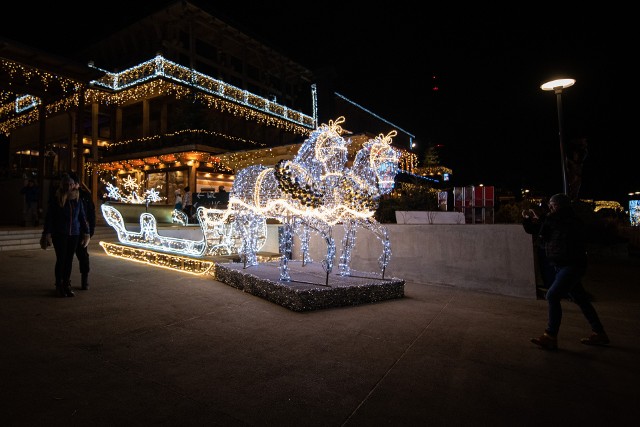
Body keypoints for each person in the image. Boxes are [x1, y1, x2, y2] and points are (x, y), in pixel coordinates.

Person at [522, 193, 609, 350]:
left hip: (572, 266)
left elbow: (551, 226)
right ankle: (599, 333)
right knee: (581, 299)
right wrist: (529, 219)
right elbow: (538, 231)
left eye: (552, 205)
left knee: (552, 295)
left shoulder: (566, 220)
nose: (550, 207)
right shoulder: (559, 219)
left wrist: (542, 218)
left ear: (559, 206)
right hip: (563, 265)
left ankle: (550, 335)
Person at [42, 174, 91, 298]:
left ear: (73, 185)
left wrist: (86, 232)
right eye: (66, 184)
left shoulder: (77, 199)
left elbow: (82, 217)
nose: (68, 187)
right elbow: (50, 218)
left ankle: (66, 284)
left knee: (69, 260)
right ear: (62, 185)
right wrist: (47, 233)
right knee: (61, 259)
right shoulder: (57, 199)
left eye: (70, 184)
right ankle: (59, 284)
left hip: (74, 234)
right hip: (60, 234)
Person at [68, 172, 96, 290]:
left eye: (72, 183)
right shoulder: (64, 195)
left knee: (83, 256)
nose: (71, 186)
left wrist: (90, 231)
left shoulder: (85, 196)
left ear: (77, 184)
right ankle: (64, 281)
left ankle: (84, 279)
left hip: (81, 232)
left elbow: (90, 214)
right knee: (66, 258)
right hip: (68, 232)